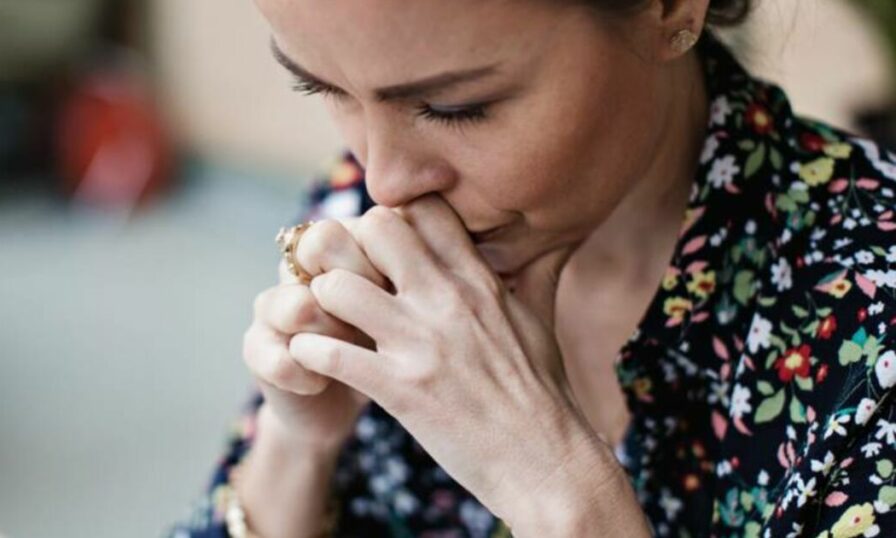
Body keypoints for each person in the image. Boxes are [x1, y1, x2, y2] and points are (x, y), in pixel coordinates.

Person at [166, 0, 896, 536]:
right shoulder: (359, 202)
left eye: (455, 107)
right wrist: (297, 448)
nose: (383, 179)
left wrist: (556, 489)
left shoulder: (872, 322)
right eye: (320, 87)